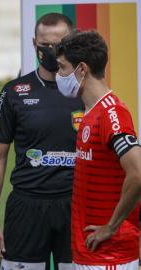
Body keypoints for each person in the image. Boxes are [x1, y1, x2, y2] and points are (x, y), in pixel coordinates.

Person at [0, 13, 84, 270]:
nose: (51, 51)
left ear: (72, 43)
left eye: (58, 44)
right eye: (45, 45)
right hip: (26, 207)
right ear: (34, 44)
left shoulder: (87, 92)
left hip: (76, 208)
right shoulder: (14, 92)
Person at [55, 30, 141, 269]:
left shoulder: (111, 113)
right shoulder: (92, 113)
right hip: (90, 252)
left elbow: (138, 172)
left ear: (82, 69)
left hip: (110, 256)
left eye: (62, 68)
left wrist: (111, 226)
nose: (59, 75)